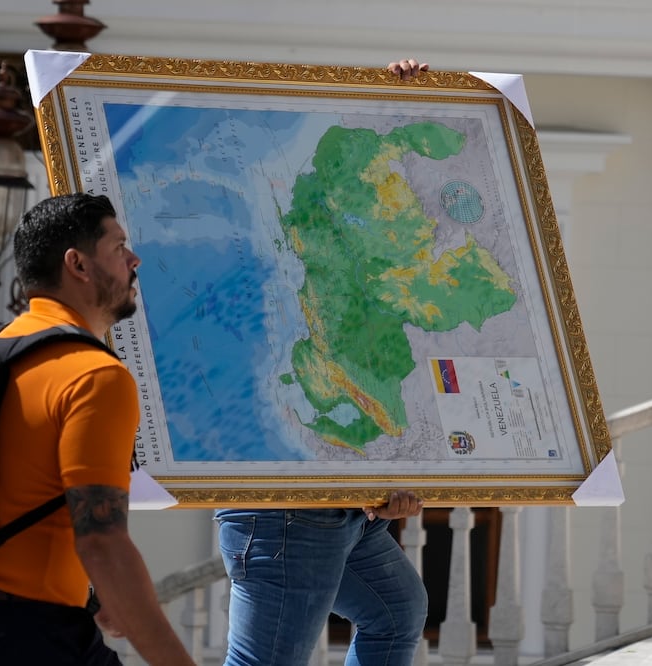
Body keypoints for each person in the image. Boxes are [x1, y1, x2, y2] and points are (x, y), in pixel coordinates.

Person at [0, 193, 196, 666]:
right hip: (21, 639)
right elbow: (102, 541)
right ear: (78, 265)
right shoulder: (93, 376)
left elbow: (2, 502)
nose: (135, 260)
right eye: (118, 246)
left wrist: (93, 597)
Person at [214, 59, 433, 666]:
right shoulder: (272, 253)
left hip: (341, 504)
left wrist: (403, 104)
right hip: (287, 511)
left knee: (396, 611)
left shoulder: (359, 261)